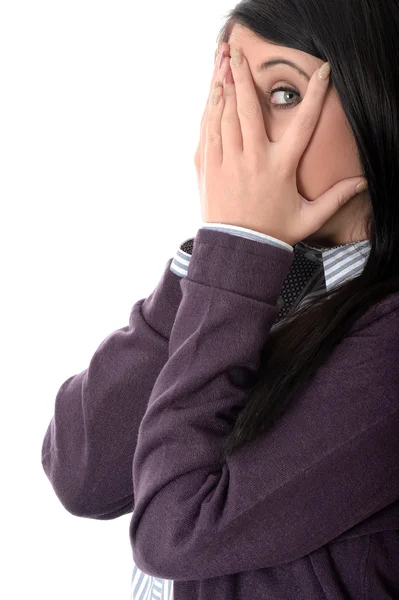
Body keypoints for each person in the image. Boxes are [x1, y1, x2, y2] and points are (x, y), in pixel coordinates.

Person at [42, 0, 399, 598]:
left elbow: (174, 535)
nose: (243, 132)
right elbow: (82, 473)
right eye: (231, 94)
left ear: (377, 100)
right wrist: (222, 253)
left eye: (284, 93)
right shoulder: (263, 283)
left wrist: (237, 254)